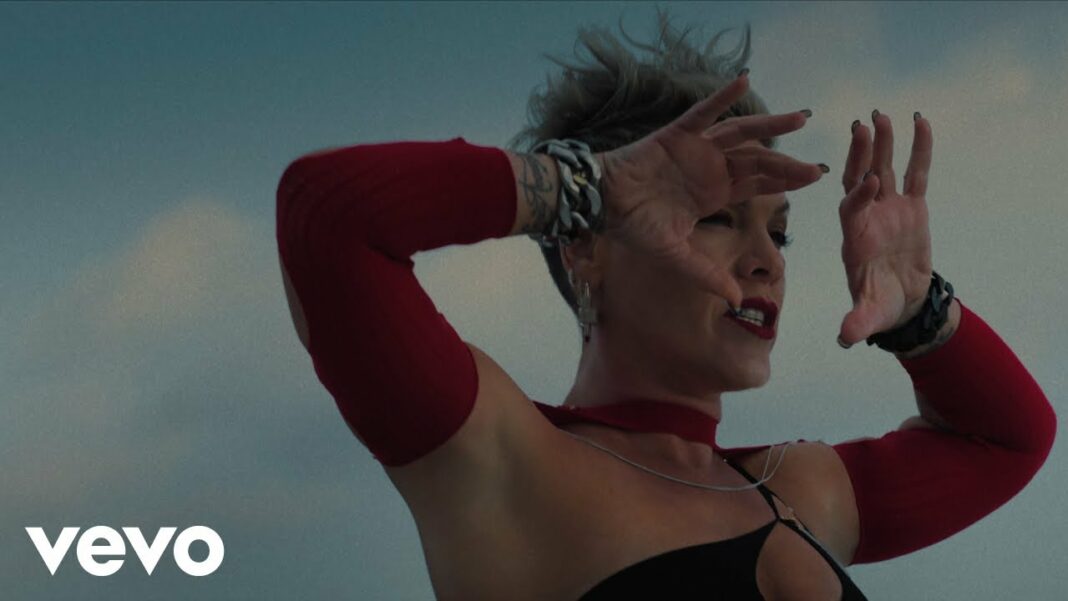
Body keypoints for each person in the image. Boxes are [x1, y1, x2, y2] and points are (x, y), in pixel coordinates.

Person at [274, 9, 1055, 600]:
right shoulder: (505, 462)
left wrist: (921, 312)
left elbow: (1012, 440)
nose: (766, 261)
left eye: (780, 232)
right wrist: (590, 187)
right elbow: (328, 216)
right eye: (717, 219)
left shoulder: (797, 488)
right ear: (586, 249)